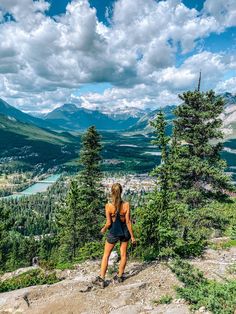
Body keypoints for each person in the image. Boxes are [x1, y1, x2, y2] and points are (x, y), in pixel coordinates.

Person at [92, 183, 136, 288]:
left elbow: (108, 223)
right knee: (123, 254)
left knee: (106, 255)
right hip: (125, 232)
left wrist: (103, 229)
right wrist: (133, 237)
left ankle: (102, 279)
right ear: (121, 192)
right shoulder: (126, 205)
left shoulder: (108, 206)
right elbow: (128, 222)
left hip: (114, 232)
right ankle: (120, 276)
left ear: (112, 192)